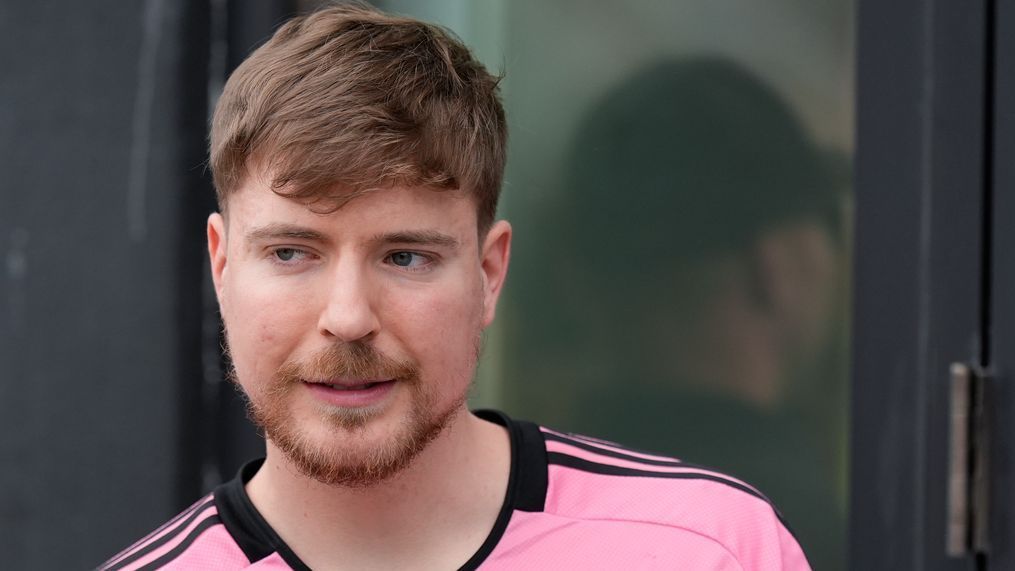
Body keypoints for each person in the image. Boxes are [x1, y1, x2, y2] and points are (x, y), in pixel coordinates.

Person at [98, 5, 810, 570]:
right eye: (291, 252)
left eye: (405, 257)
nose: (348, 317)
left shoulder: (707, 550)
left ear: (488, 273)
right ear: (222, 269)